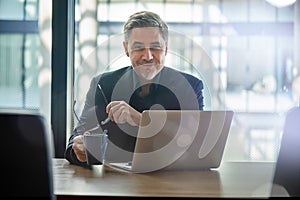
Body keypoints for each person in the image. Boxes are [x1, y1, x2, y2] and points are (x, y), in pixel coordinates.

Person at [65, 10, 204, 167]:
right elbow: (76, 140)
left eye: (155, 47)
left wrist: (141, 120)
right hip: (114, 185)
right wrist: (79, 150)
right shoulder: (103, 84)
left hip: (172, 183)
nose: (148, 56)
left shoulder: (190, 87)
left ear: (165, 48)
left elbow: (198, 147)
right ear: (126, 49)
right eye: (138, 48)